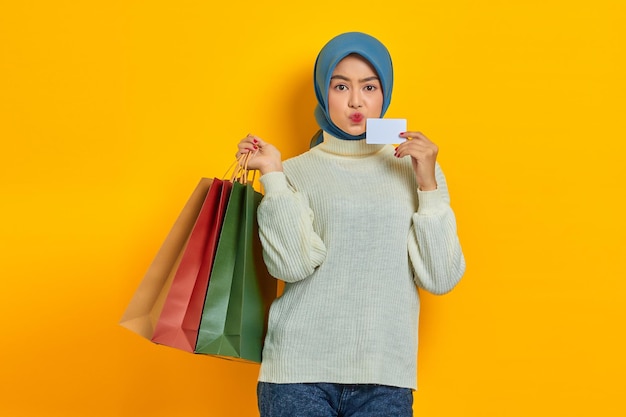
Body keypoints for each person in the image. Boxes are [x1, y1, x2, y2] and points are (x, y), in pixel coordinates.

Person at [236, 32, 466, 417]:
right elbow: (291, 266)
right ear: (323, 92)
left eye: (369, 86)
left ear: (385, 92)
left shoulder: (415, 170)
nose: (356, 101)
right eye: (340, 85)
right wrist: (273, 176)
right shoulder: (293, 172)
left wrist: (427, 184)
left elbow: (441, 277)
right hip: (298, 374)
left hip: (385, 379)